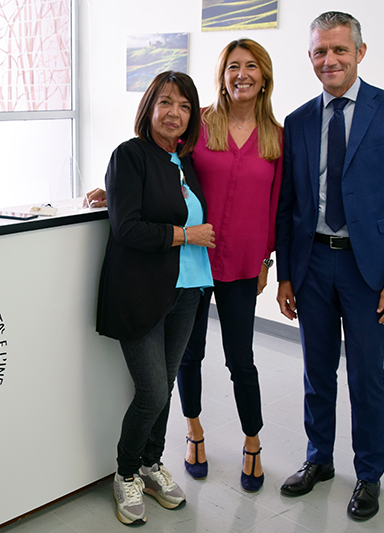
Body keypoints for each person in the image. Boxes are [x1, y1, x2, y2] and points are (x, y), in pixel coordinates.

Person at [275, 12, 384, 521]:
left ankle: (369, 474)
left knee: (366, 378)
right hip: (313, 264)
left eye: (340, 49)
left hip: (371, 272)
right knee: (316, 372)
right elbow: (289, 206)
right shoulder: (298, 122)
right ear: (310, 56)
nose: (330, 60)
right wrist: (286, 274)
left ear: (360, 53)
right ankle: (319, 458)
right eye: (320, 51)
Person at [95, 71, 215, 525]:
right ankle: (126, 472)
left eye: (184, 106)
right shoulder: (129, 155)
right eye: (166, 102)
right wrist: (187, 234)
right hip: (142, 292)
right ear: (149, 107)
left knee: (165, 387)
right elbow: (127, 228)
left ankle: (151, 463)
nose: (174, 113)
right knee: (151, 391)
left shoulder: (184, 161)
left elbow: (158, 202)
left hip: (188, 290)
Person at [175, 38, 283, 493]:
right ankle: (194, 432)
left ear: (264, 76)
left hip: (242, 263)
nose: (242, 74)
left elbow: (277, 206)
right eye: (233, 66)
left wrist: (266, 260)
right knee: (190, 353)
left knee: (242, 360)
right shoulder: (199, 125)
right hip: (194, 259)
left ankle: (252, 442)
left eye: (251, 66)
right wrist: (115, 188)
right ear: (222, 76)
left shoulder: (277, 137)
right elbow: (160, 162)